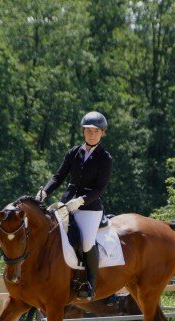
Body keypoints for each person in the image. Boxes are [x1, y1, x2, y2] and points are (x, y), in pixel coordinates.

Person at [35, 111, 113, 300]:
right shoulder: (73, 153)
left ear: (102, 133)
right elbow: (58, 176)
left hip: (89, 207)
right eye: (88, 130)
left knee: (86, 242)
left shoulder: (105, 158)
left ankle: (91, 284)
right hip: (66, 203)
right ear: (83, 131)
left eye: (95, 131)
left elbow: (99, 189)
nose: (91, 134)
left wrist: (81, 200)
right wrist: (45, 191)